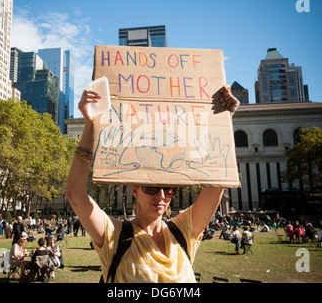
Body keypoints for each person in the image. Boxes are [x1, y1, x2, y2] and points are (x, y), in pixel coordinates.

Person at [66, 85, 239, 283]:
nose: (161, 196)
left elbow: (216, 184)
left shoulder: (183, 231)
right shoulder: (114, 236)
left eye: (169, 189)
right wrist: (90, 123)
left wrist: (224, 119)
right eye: (151, 188)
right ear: (135, 190)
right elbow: (75, 194)